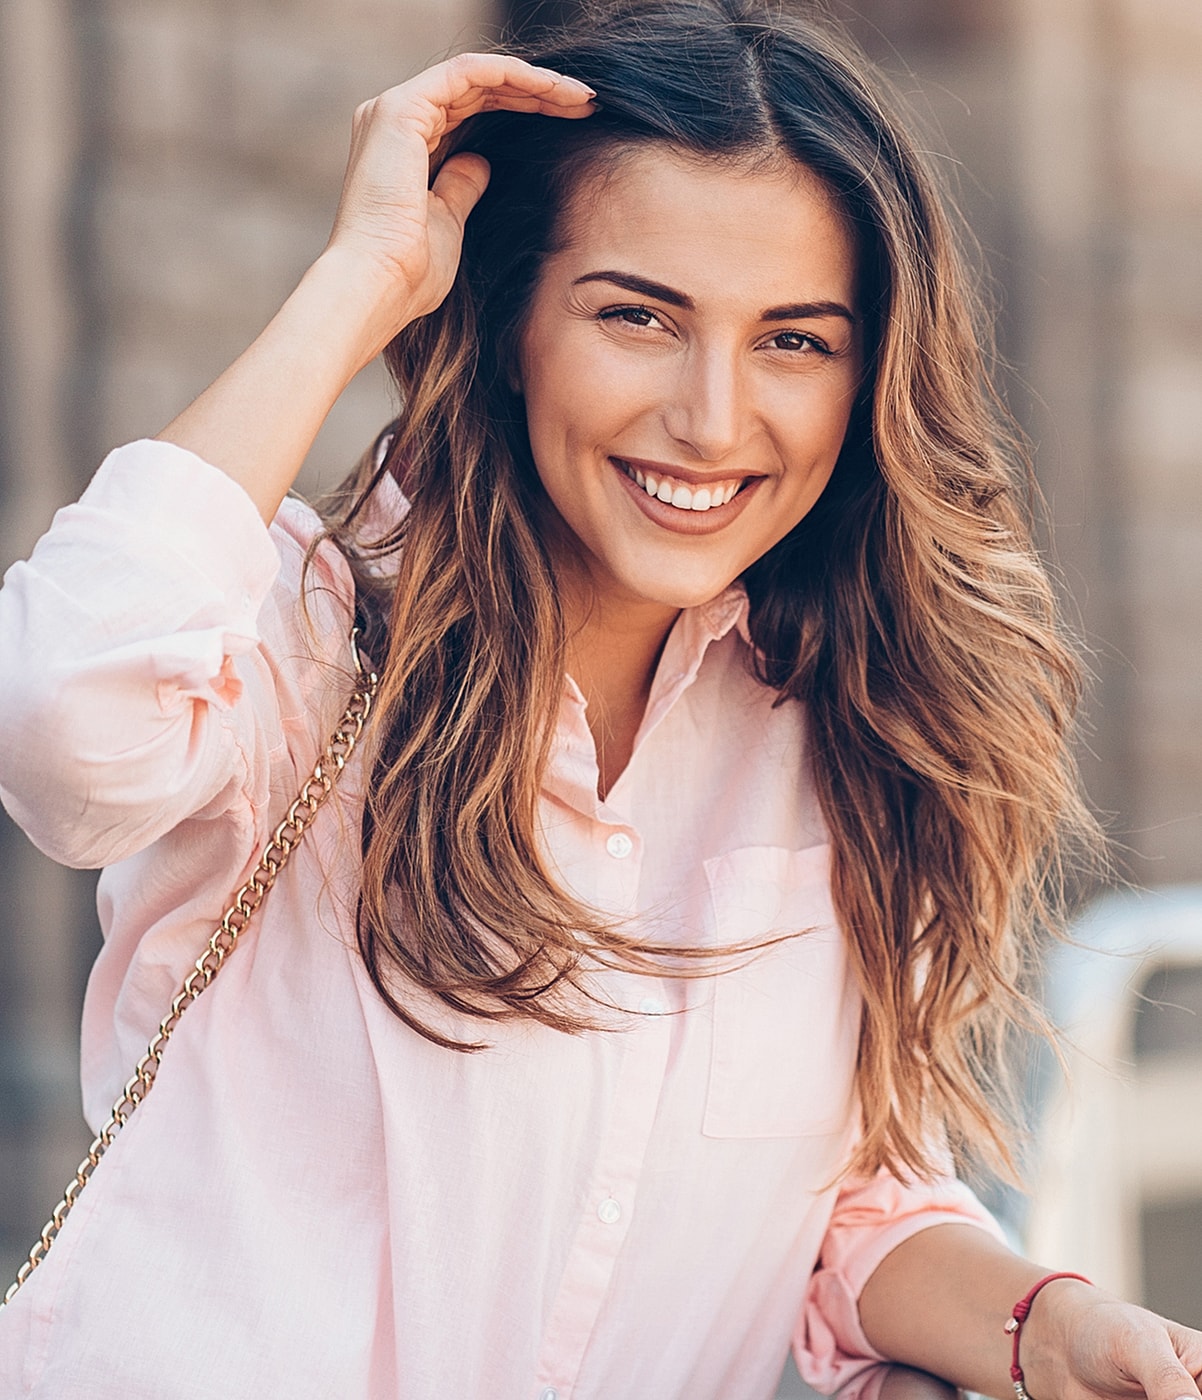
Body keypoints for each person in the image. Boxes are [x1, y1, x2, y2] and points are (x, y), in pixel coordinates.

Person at [0, 2, 1197, 1397]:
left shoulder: (854, 725)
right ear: (505, 322)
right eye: (638, 316)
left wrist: (1039, 1319)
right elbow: (59, 729)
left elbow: (835, 1207)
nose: (709, 415)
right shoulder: (299, 636)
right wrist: (363, 276)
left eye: (792, 341)